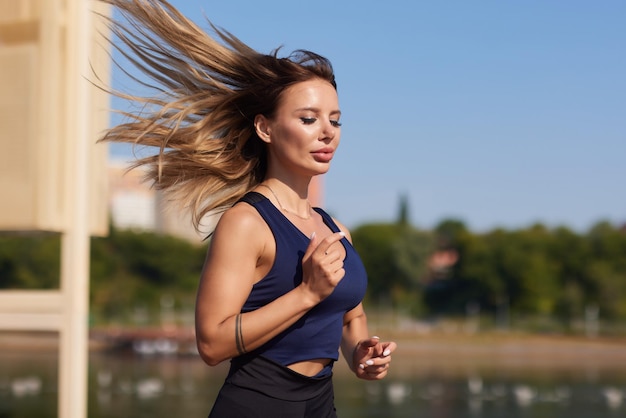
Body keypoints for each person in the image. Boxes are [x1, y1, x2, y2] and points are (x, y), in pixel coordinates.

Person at [99, 1, 397, 416]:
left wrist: (362, 353)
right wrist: (307, 293)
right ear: (265, 128)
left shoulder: (335, 228)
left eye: (336, 119)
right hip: (258, 403)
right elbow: (211, 343)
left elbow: (349, 318)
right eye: (309, 118)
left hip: (321, 403)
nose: (328, 132)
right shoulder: (247, 222)